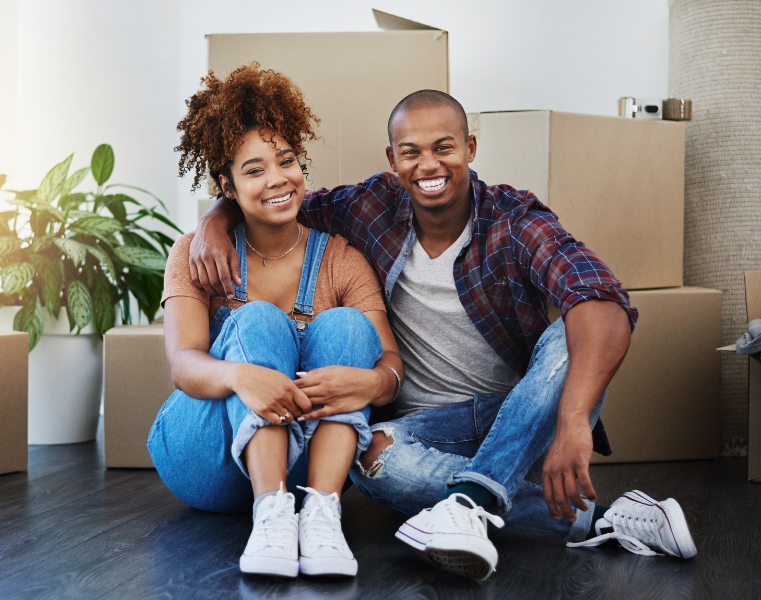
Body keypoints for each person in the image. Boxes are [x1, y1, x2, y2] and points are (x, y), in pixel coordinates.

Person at [190, 88, 697, 581]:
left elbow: (602, 299)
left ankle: (469, 503)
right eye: (410, 152)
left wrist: (572, 420)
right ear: (393, 158)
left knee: (572, 331)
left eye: (444, 148)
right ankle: (601, 518)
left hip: (523, 416)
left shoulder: (514, 221)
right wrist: (214, 218)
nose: (427, 165)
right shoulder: (370, 207)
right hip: (424, 429)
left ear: (470, 149)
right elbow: (277, 196)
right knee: (372, 462)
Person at [147, 64, 403, 579]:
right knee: (260, 319)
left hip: (310, 462)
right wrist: (240, 375)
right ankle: (270, 513)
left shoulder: (340, 259)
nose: (277, 180)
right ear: (227, 185)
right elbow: (182, 365)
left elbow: (389, 358)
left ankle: (321, 516)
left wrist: (374, 381)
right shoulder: (196, 254)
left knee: (349, 329)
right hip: (207, 459)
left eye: (286, 161)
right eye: (254, 169)